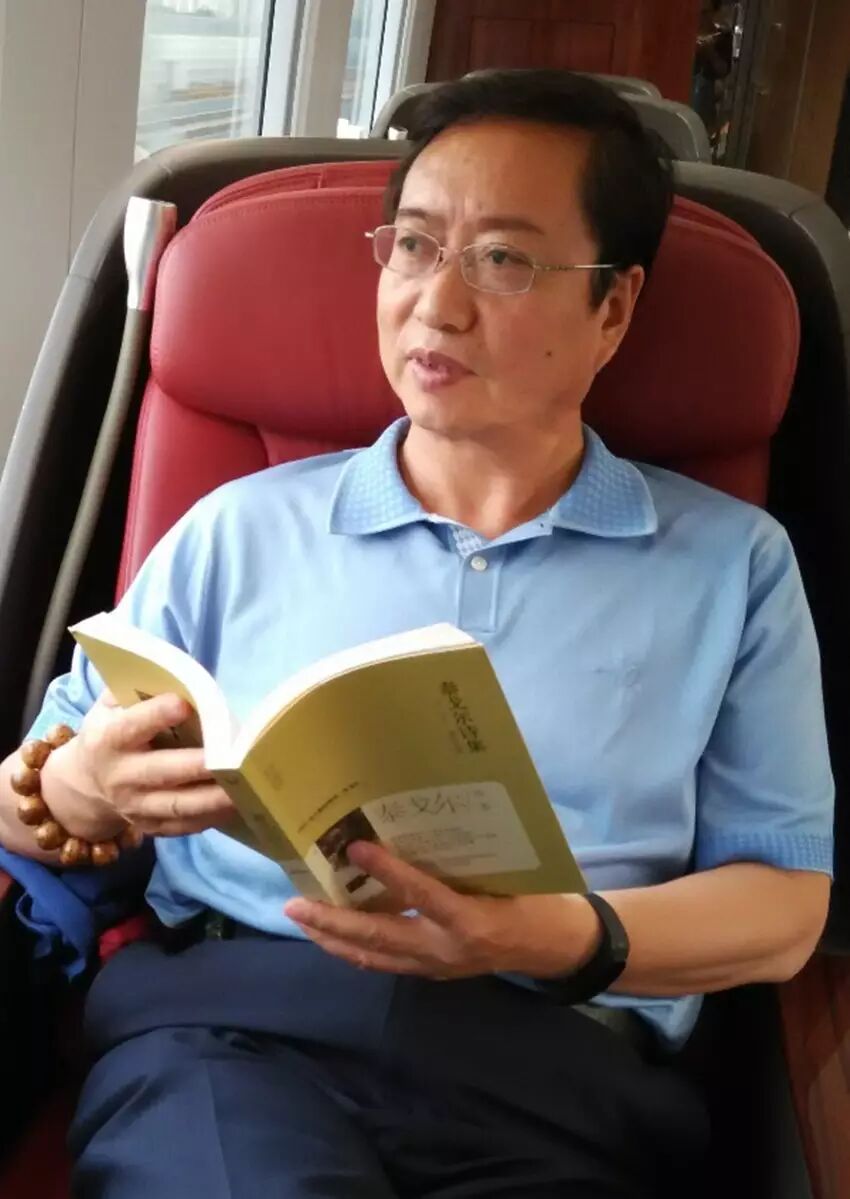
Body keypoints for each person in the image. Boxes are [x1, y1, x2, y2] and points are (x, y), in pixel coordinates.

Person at [0, 69, 834, 1198]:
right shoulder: (236, 529)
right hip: (236, 1036)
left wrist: (548, 936)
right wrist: (82, 790)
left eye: (504, 259)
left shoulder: (732, 567)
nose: (437, 304)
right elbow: (25, 800)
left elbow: (784, 909)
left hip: (554, 1078)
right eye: (413, 245)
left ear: (614, 308)